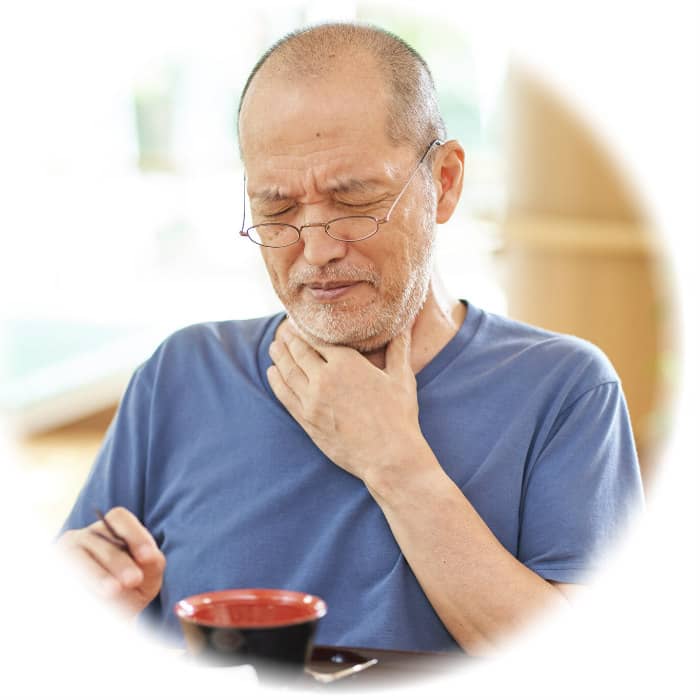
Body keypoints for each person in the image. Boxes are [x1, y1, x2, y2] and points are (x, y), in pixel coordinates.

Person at [58, 22, 644, 655]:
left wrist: (395, 462)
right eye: (277, 209)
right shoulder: (183, 373)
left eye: (354, 200)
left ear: (443, 183)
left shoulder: (563, 389)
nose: (315, 249)